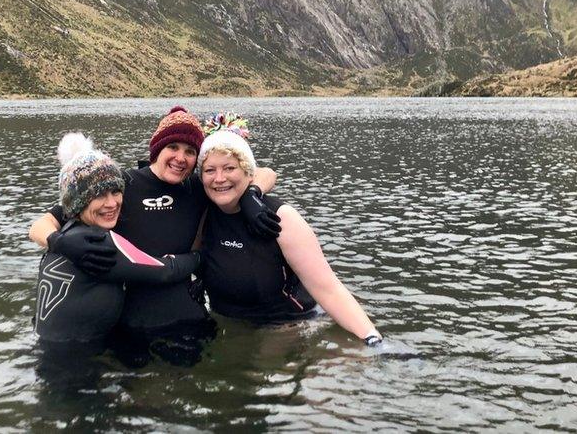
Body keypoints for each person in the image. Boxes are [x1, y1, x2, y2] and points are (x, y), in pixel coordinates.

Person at [29, 106, 279, 361]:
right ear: (157, 149)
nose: (180, 158)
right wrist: (58, 242)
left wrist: (252, 194)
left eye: (190, 151)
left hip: (186, 314)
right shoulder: (119, 186)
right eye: (173, 147)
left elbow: (264, 172)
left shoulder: (199, 187)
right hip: (133, 320)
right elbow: (42, 224)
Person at [196, 113, 382, 346]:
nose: (219, 178)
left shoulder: (281, 217)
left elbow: (328, 288)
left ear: (247, 172)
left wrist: (372, 339)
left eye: (230, 168)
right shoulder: (202, 213)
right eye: (210, 170)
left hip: (288, 325)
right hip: (231, 325)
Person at [34, 133, 200, 354]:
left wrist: (57, 241)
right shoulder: (100, 241)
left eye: (116, 192)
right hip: (75, 360)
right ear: (77, 201)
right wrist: (200, 257)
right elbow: (164, 271)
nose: (111, 203)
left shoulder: (66, 233)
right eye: (99, 195)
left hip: (43, 347)